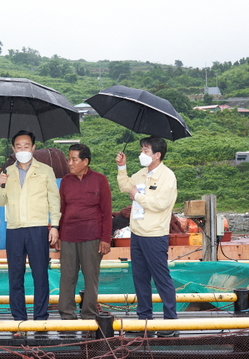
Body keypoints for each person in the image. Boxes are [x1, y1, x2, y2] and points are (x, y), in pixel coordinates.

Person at [0, 131, 60, 330]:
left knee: (40, 274)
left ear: (33, 148)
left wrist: (55, 226)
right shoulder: (7, 172)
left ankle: (41, 317)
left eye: (26, 146)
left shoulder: (46, 170)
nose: (23, 149)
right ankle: (18, 318)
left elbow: (54, 200)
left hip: (38, 228)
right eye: (19, 146)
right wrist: (1, 185)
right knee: (15, 275)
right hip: (14, 230)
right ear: (14, 149)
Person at [116, 136, 179, 337]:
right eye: (142, 150)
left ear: (157, 155)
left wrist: (138, 196)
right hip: (137, 233)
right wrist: (122, 168)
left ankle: (170, 322)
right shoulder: (142, 173)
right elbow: (125, 186)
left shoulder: (167, 177)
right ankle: (144, 319)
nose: (142, 154)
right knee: (140, 278)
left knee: (161, 278)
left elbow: (159, 203)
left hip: (155, 235)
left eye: (146, 150)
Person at [57, 143, 112, 321]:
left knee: (91, 278)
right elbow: (61, 210)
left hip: (92, 237)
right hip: (68, 237)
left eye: (74, 159)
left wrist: (105, 239)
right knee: (67, 277)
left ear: (85, 161)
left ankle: (89, 314)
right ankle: (66, 314)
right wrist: (57, 233)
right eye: (69, 159)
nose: (70, 163)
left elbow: (106, 211)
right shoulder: (65, 181)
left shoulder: (100, 180)